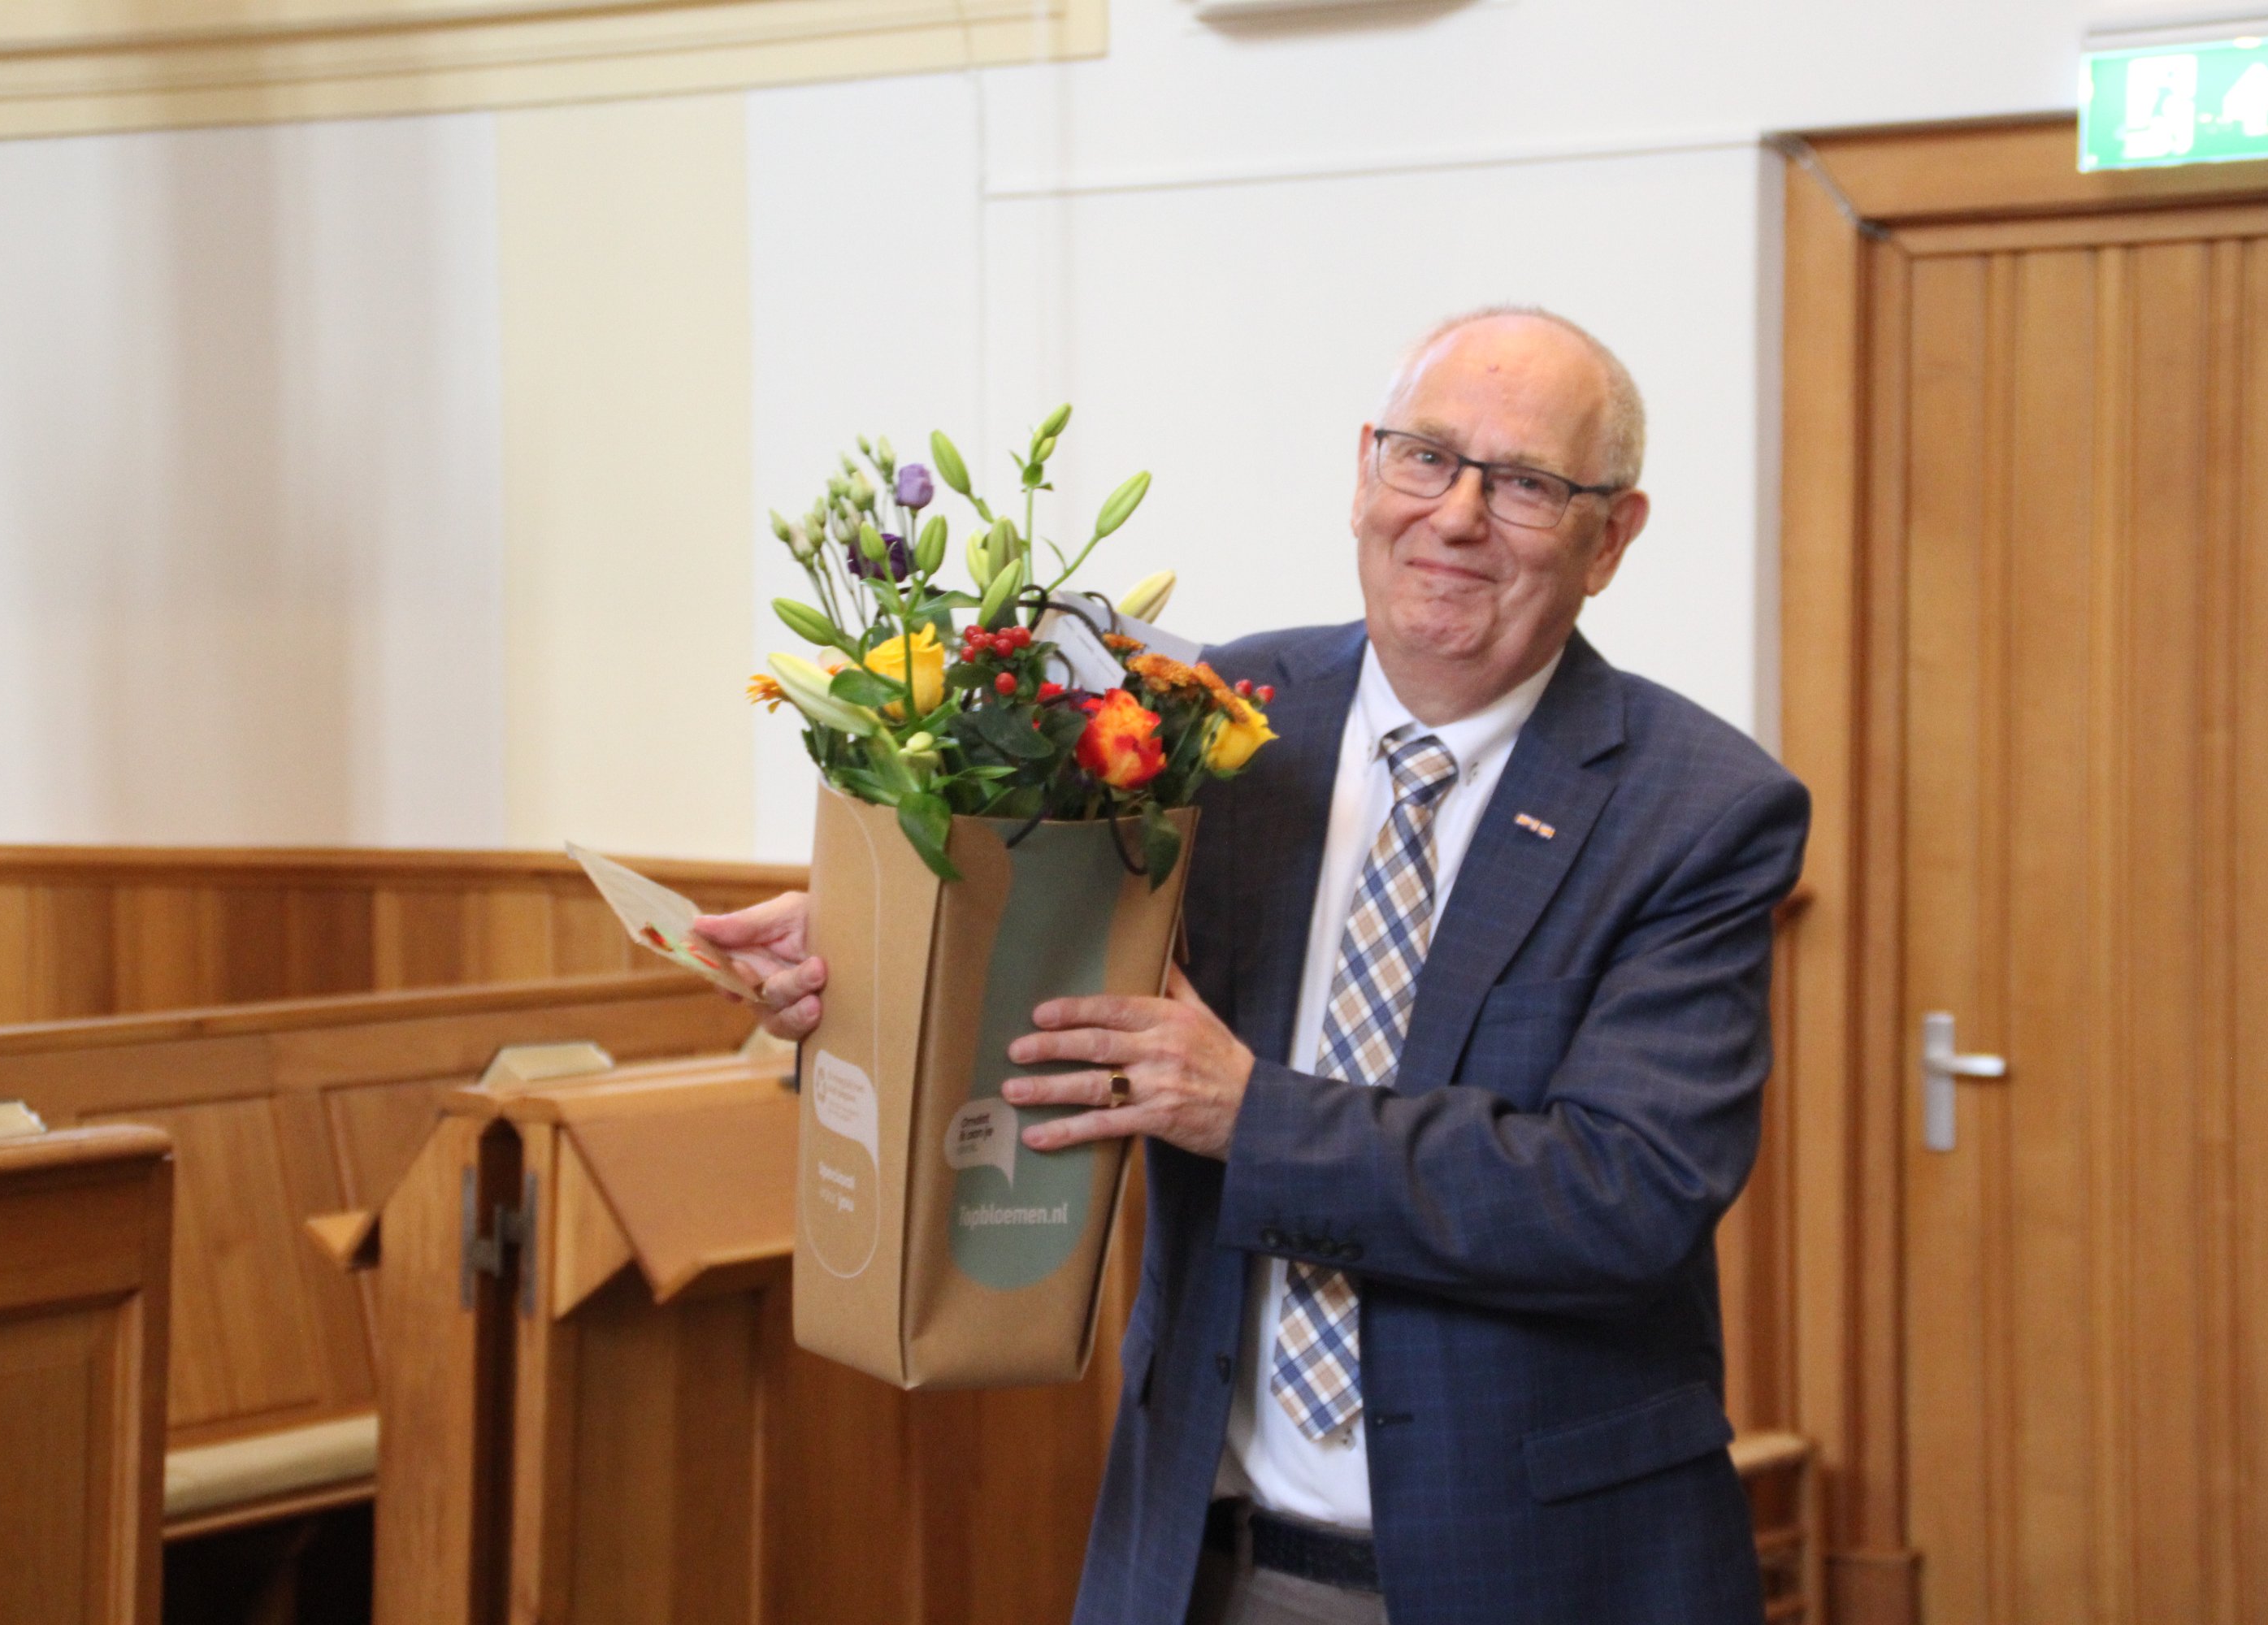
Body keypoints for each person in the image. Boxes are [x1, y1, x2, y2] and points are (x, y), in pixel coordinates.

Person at [697, 307, 1809, 1625]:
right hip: (1200, 1561)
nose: (1456, 515)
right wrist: (866, 955)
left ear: (1609, 537)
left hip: (1544, 1571)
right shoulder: (1213, 723)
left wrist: (1248, 1113)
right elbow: (1041, 994)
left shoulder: (1701, 809)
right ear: (1362, 474)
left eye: (1524, 484)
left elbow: (1623, 1194)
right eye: (1426, 458)